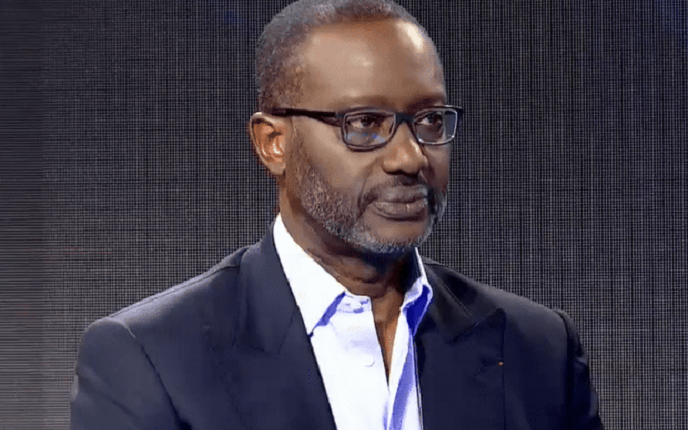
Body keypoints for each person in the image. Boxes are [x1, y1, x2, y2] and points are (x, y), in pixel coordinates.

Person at [70, 0, 603, 429]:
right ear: (274, 143)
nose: (410, 157)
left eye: (430, 121)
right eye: (364, 124)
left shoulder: (539, 350)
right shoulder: (150, 359)